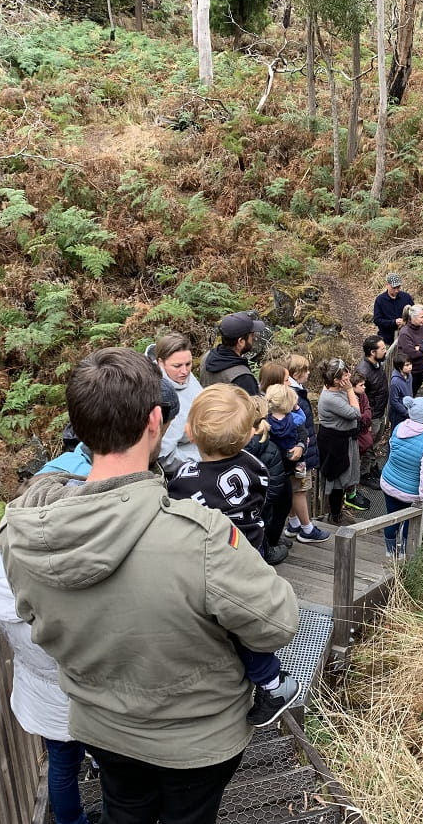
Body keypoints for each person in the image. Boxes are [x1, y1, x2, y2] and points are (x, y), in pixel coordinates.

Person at [0, 348, 299, 824]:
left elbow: (34, 615)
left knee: (125, 810)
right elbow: (276, 622)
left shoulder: (23, 535)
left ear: (79, 424)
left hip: (102, 727)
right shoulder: (198, 536)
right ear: (156, 421)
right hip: (196, 738)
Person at [166, 384, 303, 728]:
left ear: (192, 433)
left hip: (219, 557)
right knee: (247, 618)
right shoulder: (255, 464)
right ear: (244, 436)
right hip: (251, 549)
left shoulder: (185, 478)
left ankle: (273, 683)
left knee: (234, 626)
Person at [0, 544, 91, 824]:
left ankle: (70, 820)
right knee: (106, 756)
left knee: (61, 762)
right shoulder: (50, 575)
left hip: (41, 687)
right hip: (82, 686)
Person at [380, 396, 423, 560]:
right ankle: (405, 555)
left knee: (391, 518)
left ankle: (390, 552)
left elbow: (393, 452)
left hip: (389, 481)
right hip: (410, 492)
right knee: (409, 522)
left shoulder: (399, 427)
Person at [279, 355, 331, 544]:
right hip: (300, 452)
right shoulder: (293, 395)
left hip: (295, 451)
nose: (309, 373)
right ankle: (307, 529)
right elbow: (300, 425)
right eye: (306, 370)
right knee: (300, 489)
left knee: (293, 488)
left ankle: (293, 524)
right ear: (296, 373)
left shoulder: (289, 392)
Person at [144, 332, 203, 475]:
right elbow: (164, 458)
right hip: (189, 466)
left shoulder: (180, 375)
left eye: (188, 364)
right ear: (160, 363)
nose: (184, 371)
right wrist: (205, 459)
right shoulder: (160, 397)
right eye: (177, 366)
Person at [317, 358, 363, 525]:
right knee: (337, 479)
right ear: (336, 380)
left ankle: (339, 509)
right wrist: (350, 390)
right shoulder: (330, 397)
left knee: (344, 477)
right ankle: (335, 515)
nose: (349, 376)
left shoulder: (337, 388)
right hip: (335, 445)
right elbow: (356, 413)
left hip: (344, 440)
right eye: (345, 375)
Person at [245, 395, 292, 560]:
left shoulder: (237, 445)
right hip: (263, 506)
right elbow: (275, 485)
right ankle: (267, 552)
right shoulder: (270, 448)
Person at [200, 311, 266, 394]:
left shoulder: (206, 358)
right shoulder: (243, 378)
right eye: (251, 335)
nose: (254, 338)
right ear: (241, 341)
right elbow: (254, 406)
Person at [265, 383, 307, 478]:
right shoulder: (295, 419)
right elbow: (303, 423)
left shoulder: (265, 422)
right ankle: (300, 466)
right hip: (292, 459)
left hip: (273, 463)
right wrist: (296, 407)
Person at [396, 304, 423, 396]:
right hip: (409, 372)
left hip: (420, 369)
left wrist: (419, 347)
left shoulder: (422, 327)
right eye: (422, 317)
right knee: (408, 395)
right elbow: (412, 354)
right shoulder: (405, 332)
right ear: (413, 317)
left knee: (414, 393)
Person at [373, 273, 414, 347]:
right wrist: (393, 322)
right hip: (386, 339)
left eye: (398, 287)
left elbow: (414, 314)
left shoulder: (406, 297)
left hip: (406, 338)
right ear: (387, 285)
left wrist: (405, 322)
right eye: (394, 288)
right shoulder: (380, 300)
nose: (396, 290)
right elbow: (377, 320)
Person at [389, 352, 413, 430]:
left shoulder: (409, 375)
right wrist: (406, 412)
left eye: (410, 364)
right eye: (407, 365)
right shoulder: (395, 382)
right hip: (398, 414)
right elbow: (393, 401)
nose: (410, 367)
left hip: (408, 409)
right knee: (396, 432)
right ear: (399, 367)